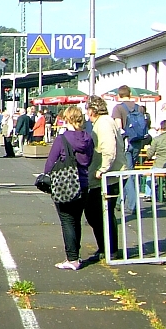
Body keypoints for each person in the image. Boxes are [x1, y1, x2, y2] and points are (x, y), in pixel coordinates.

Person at [43, 105, 94, 270]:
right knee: (76, 220)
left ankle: (72, 258)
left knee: (67, 220)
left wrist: (46, 176)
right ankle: (75, 255)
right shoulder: (88, 138)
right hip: (83, 183)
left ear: (67, 119)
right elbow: (90, 159)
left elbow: (51, 161)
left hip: (65, 184)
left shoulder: (62, 139)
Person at [84, 96, 124, 261]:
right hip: (106, 174)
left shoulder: (104, 123)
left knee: (99, 213)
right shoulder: (103, 122)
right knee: (98, 213)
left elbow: (109, 148)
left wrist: (103, 169)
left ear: (92, 110)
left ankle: (109, 249)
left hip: (108, 176)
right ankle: (106, 247)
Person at [111, 86, 149, 216]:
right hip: (137, 143)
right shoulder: (139, 108)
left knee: (127, 173)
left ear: (119, 95)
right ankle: (118, 201)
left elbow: (119, 128)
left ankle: (133, 204)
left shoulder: (118, 108)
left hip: (126, 143)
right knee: (129, 170)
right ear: (130, 94)